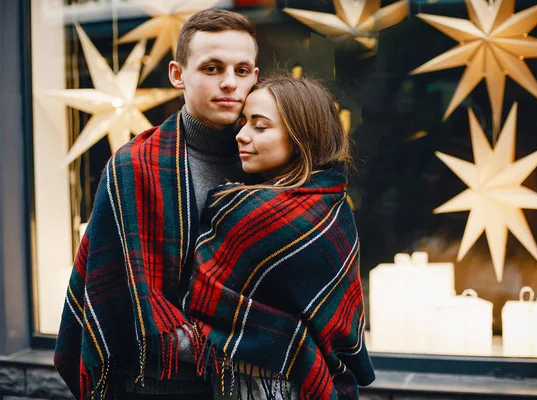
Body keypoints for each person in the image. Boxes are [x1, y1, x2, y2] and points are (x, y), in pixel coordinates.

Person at [54, 8, 259, 399]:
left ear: (255, 76)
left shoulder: (272, 165)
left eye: (242, 70)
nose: (230, 83)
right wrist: (220, 350)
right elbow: (123, 294)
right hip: (156, 381)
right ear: (177, 74)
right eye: (212, 68)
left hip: (257, 380)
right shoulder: (135, 165)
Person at [182, 75, 375, 400]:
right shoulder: (334, 202)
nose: (241, 136)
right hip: (274, 381)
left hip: (275, 387)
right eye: (243, 123)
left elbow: (198, 295)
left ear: (301, 136)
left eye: (260, 126)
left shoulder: (267, 214)